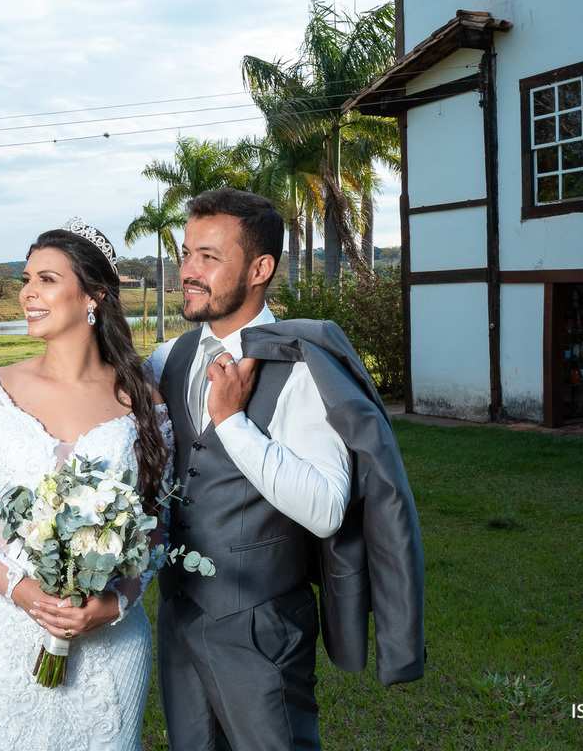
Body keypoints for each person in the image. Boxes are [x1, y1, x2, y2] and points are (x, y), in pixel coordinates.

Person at [146, 188, 425, 750]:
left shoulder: (300, 369)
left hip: (260, 626)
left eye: (208, 257)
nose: (188, 272)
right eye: (185, 253)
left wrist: (232, 424)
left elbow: (325, 510)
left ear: (260, 268)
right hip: (178, 618)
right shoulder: (167, 358)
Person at [0, 219, 173, 750]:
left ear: (94, 294)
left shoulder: (142, 399)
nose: (27, 294)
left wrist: (118, 603)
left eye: (46, 279)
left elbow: (159, 524)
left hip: (110, 639)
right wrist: (19, 589)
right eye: (26, 279)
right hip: (5, 630)